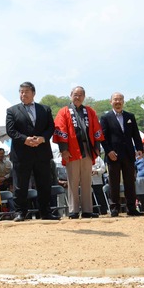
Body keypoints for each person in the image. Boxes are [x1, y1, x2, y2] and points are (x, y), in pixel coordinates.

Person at [6, 81, 59, 221]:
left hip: (42, 152)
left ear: (33, 93)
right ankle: (20, 213)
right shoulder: (12, 111)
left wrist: (43, 138)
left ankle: (45, 212)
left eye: (26, 92)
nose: (23, 94)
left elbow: (51, 128)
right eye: (21, 92)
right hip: (22, 153)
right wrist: (25, 139)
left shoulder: (45, 109)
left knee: (44, 184)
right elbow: (11, 131)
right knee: (20, 185)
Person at [53, 86, 104, 219]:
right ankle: (73, 210)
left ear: (84, 97)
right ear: (70, 95)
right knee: (73, 180)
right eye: (75, 94)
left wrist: (97, 146)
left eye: (81, 95)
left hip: (87, 148)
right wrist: (63, 150)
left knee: (87, 180)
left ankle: (87, 210)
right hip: (72, 149)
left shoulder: (90, 111)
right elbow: (60, 130)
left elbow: (96, 129)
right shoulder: (63, 111)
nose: (78, 97)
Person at [100, 92, 144, 217]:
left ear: (123, 101)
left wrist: (139, 148)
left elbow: (136, 134)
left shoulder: (130, 116)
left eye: (120, 100)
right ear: (111, 102)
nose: (118, 102)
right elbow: (103, 137)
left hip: (129, 154)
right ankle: (114, 208)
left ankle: (132, 208)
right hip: (113, 154)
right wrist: (108, 151)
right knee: (113, 182)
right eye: (115, 100)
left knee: (130, 181)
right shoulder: (105, 117)